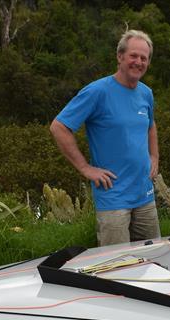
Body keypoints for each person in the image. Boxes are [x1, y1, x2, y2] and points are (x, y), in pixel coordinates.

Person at [50, 30, 160, 246]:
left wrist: (154, 156)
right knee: (116, 267)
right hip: (113, 199)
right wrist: (85, 168)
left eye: (144, 58)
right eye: (133, 56)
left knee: (154, 261)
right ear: (120, 57)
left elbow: (150, 125)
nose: (138, 62)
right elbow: (59, 127)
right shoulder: (97, 92)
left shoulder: (146, 93)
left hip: (145, 195)